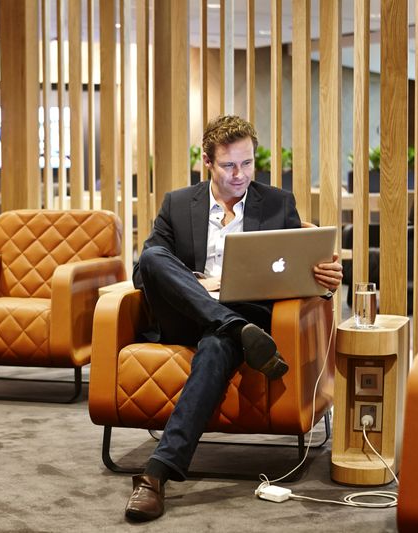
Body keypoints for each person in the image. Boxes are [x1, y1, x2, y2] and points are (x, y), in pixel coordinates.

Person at [124, 115, 343, 522]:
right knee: (153, 256)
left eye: (247, 164)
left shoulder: (278, 203)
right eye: (229, 166)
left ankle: (155, 475)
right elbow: (145, 273)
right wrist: (200, 283)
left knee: (218, 343)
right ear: (207, 161)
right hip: (188, 312)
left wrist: (325, 280)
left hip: (249, 316)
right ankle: (233, 327)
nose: (240, 174)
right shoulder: (177, 203)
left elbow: (300, 270)